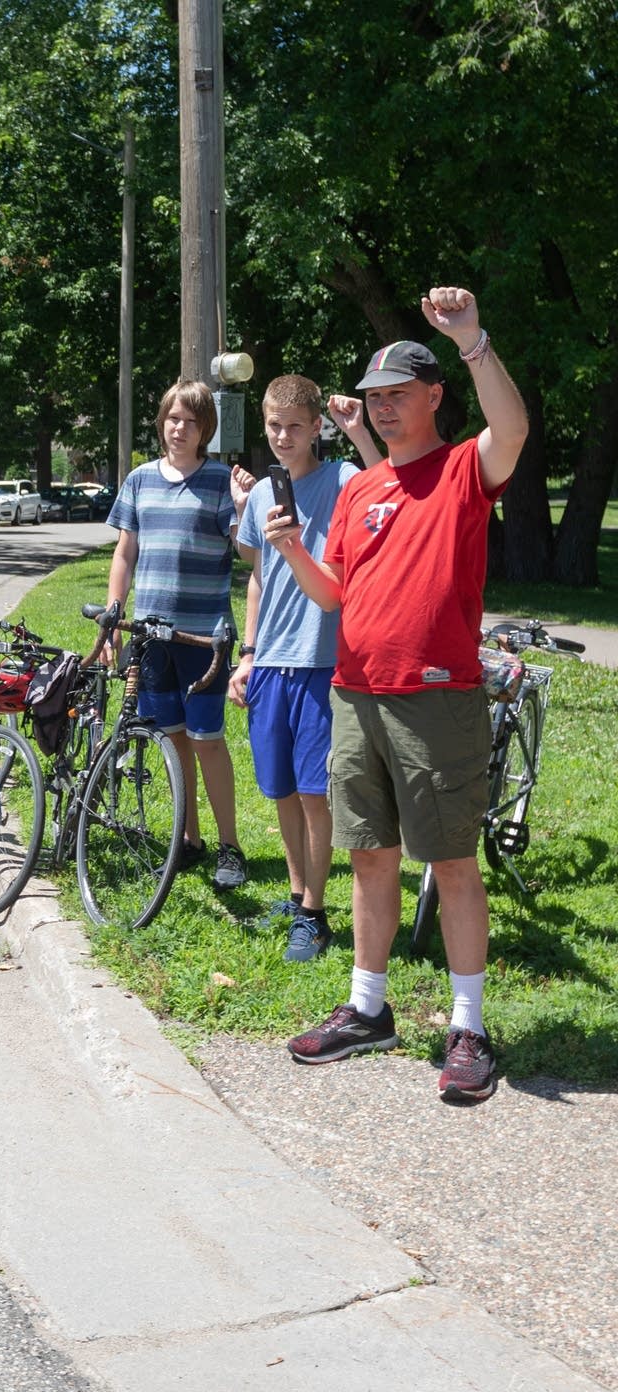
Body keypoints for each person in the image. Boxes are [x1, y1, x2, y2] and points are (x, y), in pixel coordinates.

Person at [266, 289, 528, 1104]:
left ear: (433, 398)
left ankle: (468, 1027)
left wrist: (472, 339)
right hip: (356, 696)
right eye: (375, 399)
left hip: (435, 700)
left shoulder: (461, 472)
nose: (383, 410)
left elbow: (511, 429)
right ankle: (368, 1008)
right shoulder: (360, 489)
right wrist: (288, 552)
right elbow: (335, 593)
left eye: (398, 397)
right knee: (370, 855)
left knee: (450, 862)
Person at [228, 380, 384, 961]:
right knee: (283, 791)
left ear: (315, 425)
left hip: (322, 661)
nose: (283, 436)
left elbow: (386, 482)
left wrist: (358, 430)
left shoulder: (342, 477)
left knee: (317, 795)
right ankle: (297, 895)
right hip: (270, 661)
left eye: (295, 425)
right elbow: (257, 572)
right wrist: (247, 654)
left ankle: (315, 914)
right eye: (273, 426)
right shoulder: (267, 489)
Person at [103, 379, 247, 888]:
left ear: (205, 427)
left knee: (208, 741)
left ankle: (230, 846)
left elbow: (247, 554)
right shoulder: (139, 480)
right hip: (153, 637)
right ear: (161, 422)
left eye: (189, 420)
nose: (179, 428)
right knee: (171, 740)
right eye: (171, 418)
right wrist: (114, 615)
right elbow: (125, 553)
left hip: (203, 640)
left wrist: (244, 508)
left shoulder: (219, 481)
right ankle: (190, 839)